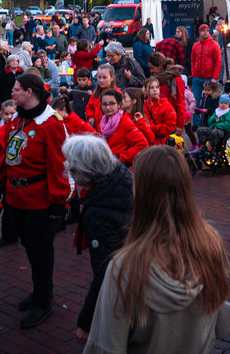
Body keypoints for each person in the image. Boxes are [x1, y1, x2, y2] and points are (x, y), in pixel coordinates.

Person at [83, 145, 230, 354]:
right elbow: (221, 324)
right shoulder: (212, 244)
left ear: (140, 191)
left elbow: (106, 347)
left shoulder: (125, 267)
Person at [0, 73, 71, 329]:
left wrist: (59, 202)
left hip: (39, 199)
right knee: (28, 245)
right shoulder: (17, 119)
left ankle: (43, 300)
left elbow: (60, 166)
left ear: (29, 92)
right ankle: (41, 291)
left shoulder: (51, 123)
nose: (12, 93)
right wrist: (2, 184)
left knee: (40, 250)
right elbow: (8, 155)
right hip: (17, 198)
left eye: (16, 89)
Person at [63, 135, 132, 347]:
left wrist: (86, 322)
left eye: (72, 168)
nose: (67, 169)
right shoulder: (121, 175)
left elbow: (106, 271)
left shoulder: (98, 212)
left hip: (127, 290)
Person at [0, 99, 19, 249]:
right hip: (5, 170)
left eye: (12, 114)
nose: (9, 117)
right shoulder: (1, 131)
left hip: (17, 170)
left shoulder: (20, 128)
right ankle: (8, 235)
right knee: (7, 203)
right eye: (6, 114)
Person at [97, 88, 148, 165]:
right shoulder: (102, 124)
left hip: (120, 167)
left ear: (119, 105)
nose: (108, 107)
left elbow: (142, 144)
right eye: (104, 104)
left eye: (111, 104)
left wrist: (122, 158)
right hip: (106, 165)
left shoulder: (125, 122)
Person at [147, 53, 188, 135]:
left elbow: (180, 103)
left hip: (170, 121)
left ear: (160, 66)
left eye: (152, 68)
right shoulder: (157, 78)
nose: (151, 71)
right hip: (156, 120)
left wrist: (180, 125)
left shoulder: (176, 80)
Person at [189, 24, 222, 126]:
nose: (205, 32)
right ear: (200, 32)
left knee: (210, 102)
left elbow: (218, 62)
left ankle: (209, 123)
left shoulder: (214, 45)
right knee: (196, 101)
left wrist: (215, 78)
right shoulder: (195, 45)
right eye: (203, 30)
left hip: (209, 79)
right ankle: (196, 123)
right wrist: (194, 75)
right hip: (197, 79)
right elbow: (193, 61)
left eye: (207, 30)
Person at [142, 77, 176, 146]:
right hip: (147, 141)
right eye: (151, 87)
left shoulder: (165, 105)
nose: (155, 90)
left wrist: (151, 128)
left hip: (161, 142)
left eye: (157, 87)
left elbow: (170, 127)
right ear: (145, 90)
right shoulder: (144, 105)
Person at [86, 64, 115, 130]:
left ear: (112, 78)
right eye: (99, 77)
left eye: (104, 78)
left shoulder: (116, 93)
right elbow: (89, 107)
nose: (101, 80)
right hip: (97, 127)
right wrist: (91, 116)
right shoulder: (96, 92)